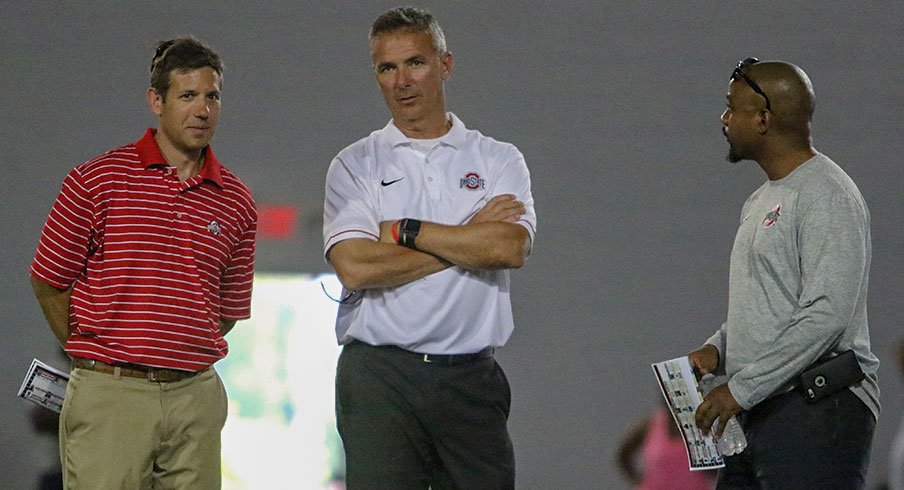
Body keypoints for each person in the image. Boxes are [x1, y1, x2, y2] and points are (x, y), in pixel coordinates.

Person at [322, 6, 536, 489]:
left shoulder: (499, 158)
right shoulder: (354, 164)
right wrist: (468, 232)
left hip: (470, 380)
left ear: (445, 64)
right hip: (381, 378)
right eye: (387, 68)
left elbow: (509, 247)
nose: (402, 80)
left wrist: (405, 230)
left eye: (415, 62)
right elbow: (355, 267)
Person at [29, 36, 256, 489]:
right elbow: (48, 281)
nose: (203, 109)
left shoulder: (237, 201)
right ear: (157, 101)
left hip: (195, 395)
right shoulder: (95, 180)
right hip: (112, 393)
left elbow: (227, 313)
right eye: (187, 96)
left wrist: (175, 351)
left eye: (212, 96)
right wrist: (97, 356)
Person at [688, 59, 879, 489]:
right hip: (759, 409)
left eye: (730, 108)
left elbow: (827, 315)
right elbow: (769, 305)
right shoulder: (759, 200)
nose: (723, 120)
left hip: (816, 412)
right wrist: (717, 350)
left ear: (762, 119)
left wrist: (741, 389)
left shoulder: (828, 194)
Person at [617, 399, 716, 490]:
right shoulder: (651, 425)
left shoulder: (701, 427)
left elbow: (716, 469)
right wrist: (640, 480)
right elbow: (624, 454)